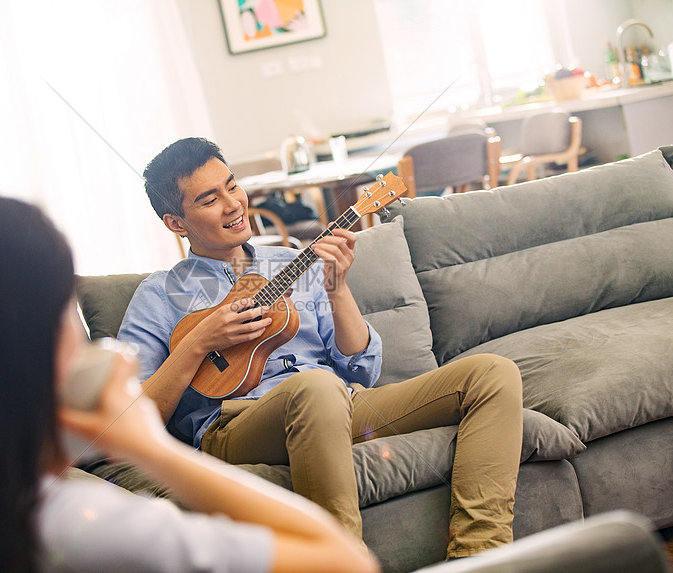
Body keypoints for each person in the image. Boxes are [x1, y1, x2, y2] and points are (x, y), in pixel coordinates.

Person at [0, 192, 378, 573]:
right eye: (66, 307)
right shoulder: (76, 527)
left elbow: (362, 366)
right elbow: (345, 562)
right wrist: (147, 445)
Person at [117, 137, 524, 559]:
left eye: (232, 185)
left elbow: (362, 370)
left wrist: (338, 288)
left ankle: (481, 558)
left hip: (336, 405)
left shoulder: (293, 261)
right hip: (236, 426)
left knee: (491, 374)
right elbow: (132, 417)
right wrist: (199, 343)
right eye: (208, 199)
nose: (233, 204)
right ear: (176, 223)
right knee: (316, 387)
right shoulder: (159, 295)